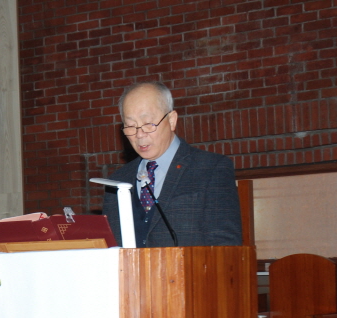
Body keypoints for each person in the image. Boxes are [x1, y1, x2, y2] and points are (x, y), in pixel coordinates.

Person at [101, 81, 242, 248]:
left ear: (172, 120)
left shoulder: (211, 169)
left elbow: (226, 248)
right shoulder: (116, 181)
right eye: (131, 126)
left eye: (148, 124)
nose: (139, 134)